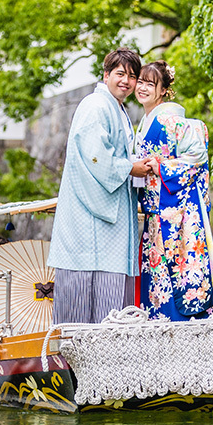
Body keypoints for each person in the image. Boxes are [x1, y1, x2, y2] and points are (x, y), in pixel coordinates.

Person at [47, 48, 154, 324]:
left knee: (106, 300)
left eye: (132, 76)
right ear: (106, 75)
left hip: (105, 219)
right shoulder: (96, 106)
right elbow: (97, 156)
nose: (126, 81)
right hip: (89, 219)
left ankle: (107, 352)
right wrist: (131, 167)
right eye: (120, 74)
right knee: (88, 304)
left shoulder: (115, 108)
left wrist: (133, 164)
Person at [133, 60, 213, 320]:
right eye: (140, 82)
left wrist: (159, 166)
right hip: (155, 211)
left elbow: (196, 157)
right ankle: (159, 326)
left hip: (176, 213)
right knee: (158, 275)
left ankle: (183, 325)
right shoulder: (145, 123)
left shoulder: (175, 121)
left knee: (179, 274)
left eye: (150, 84)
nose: (142, 88)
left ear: (163, 89)